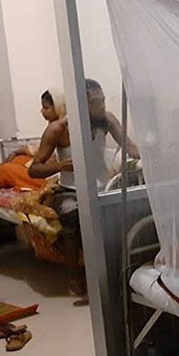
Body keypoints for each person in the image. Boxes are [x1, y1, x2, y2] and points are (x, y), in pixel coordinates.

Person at [28, 80, 139, 300]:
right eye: (96, 102)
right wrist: (62, 166)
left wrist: (154, 155)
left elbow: (131, 148)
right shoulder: (58, 129)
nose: (102, 106)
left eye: (103, 100)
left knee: (125, 210)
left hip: (103, 186)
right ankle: (75, 277)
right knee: (72, 213)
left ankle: (119, 272)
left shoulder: (106, 120)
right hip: (70, 189)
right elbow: (34, 169)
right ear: (82, 103)